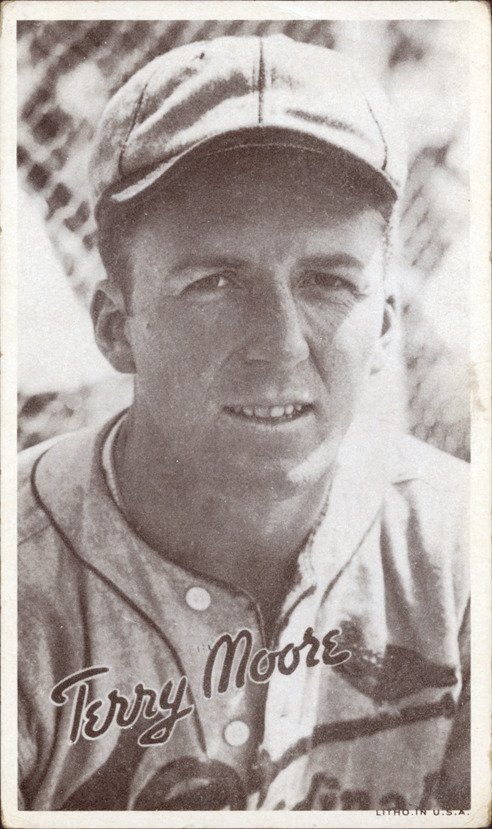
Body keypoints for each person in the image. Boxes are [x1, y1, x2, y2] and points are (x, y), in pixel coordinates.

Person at [18, 34, 469, 811]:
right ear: (116, 326)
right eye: (216, 281)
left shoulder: (462, 549)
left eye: (328, 281)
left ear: (386, 326)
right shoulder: (20, 578)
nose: (281, 343)